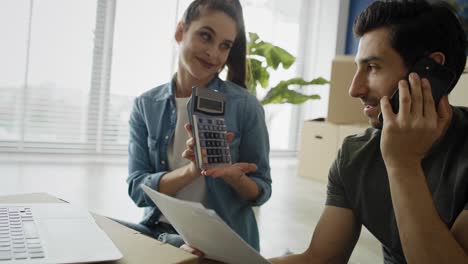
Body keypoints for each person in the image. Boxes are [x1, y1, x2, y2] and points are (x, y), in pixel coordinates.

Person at [270, 0, 468, 263]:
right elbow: (320, 259)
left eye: (373, 67)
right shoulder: (356, 155)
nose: (354, 89)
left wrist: (403, 165)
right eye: (358, 68)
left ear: (427, 72)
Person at [124, 0, 271, 251]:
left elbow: (261, 191)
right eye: (206, 36)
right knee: (95, 227)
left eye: (224, 46)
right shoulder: (146, 105)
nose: (214, 54)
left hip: (217, 240)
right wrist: (193, 170)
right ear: (181, 31)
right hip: (157, 231)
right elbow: (137, 191)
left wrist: (237, 179)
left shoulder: (245, 106)